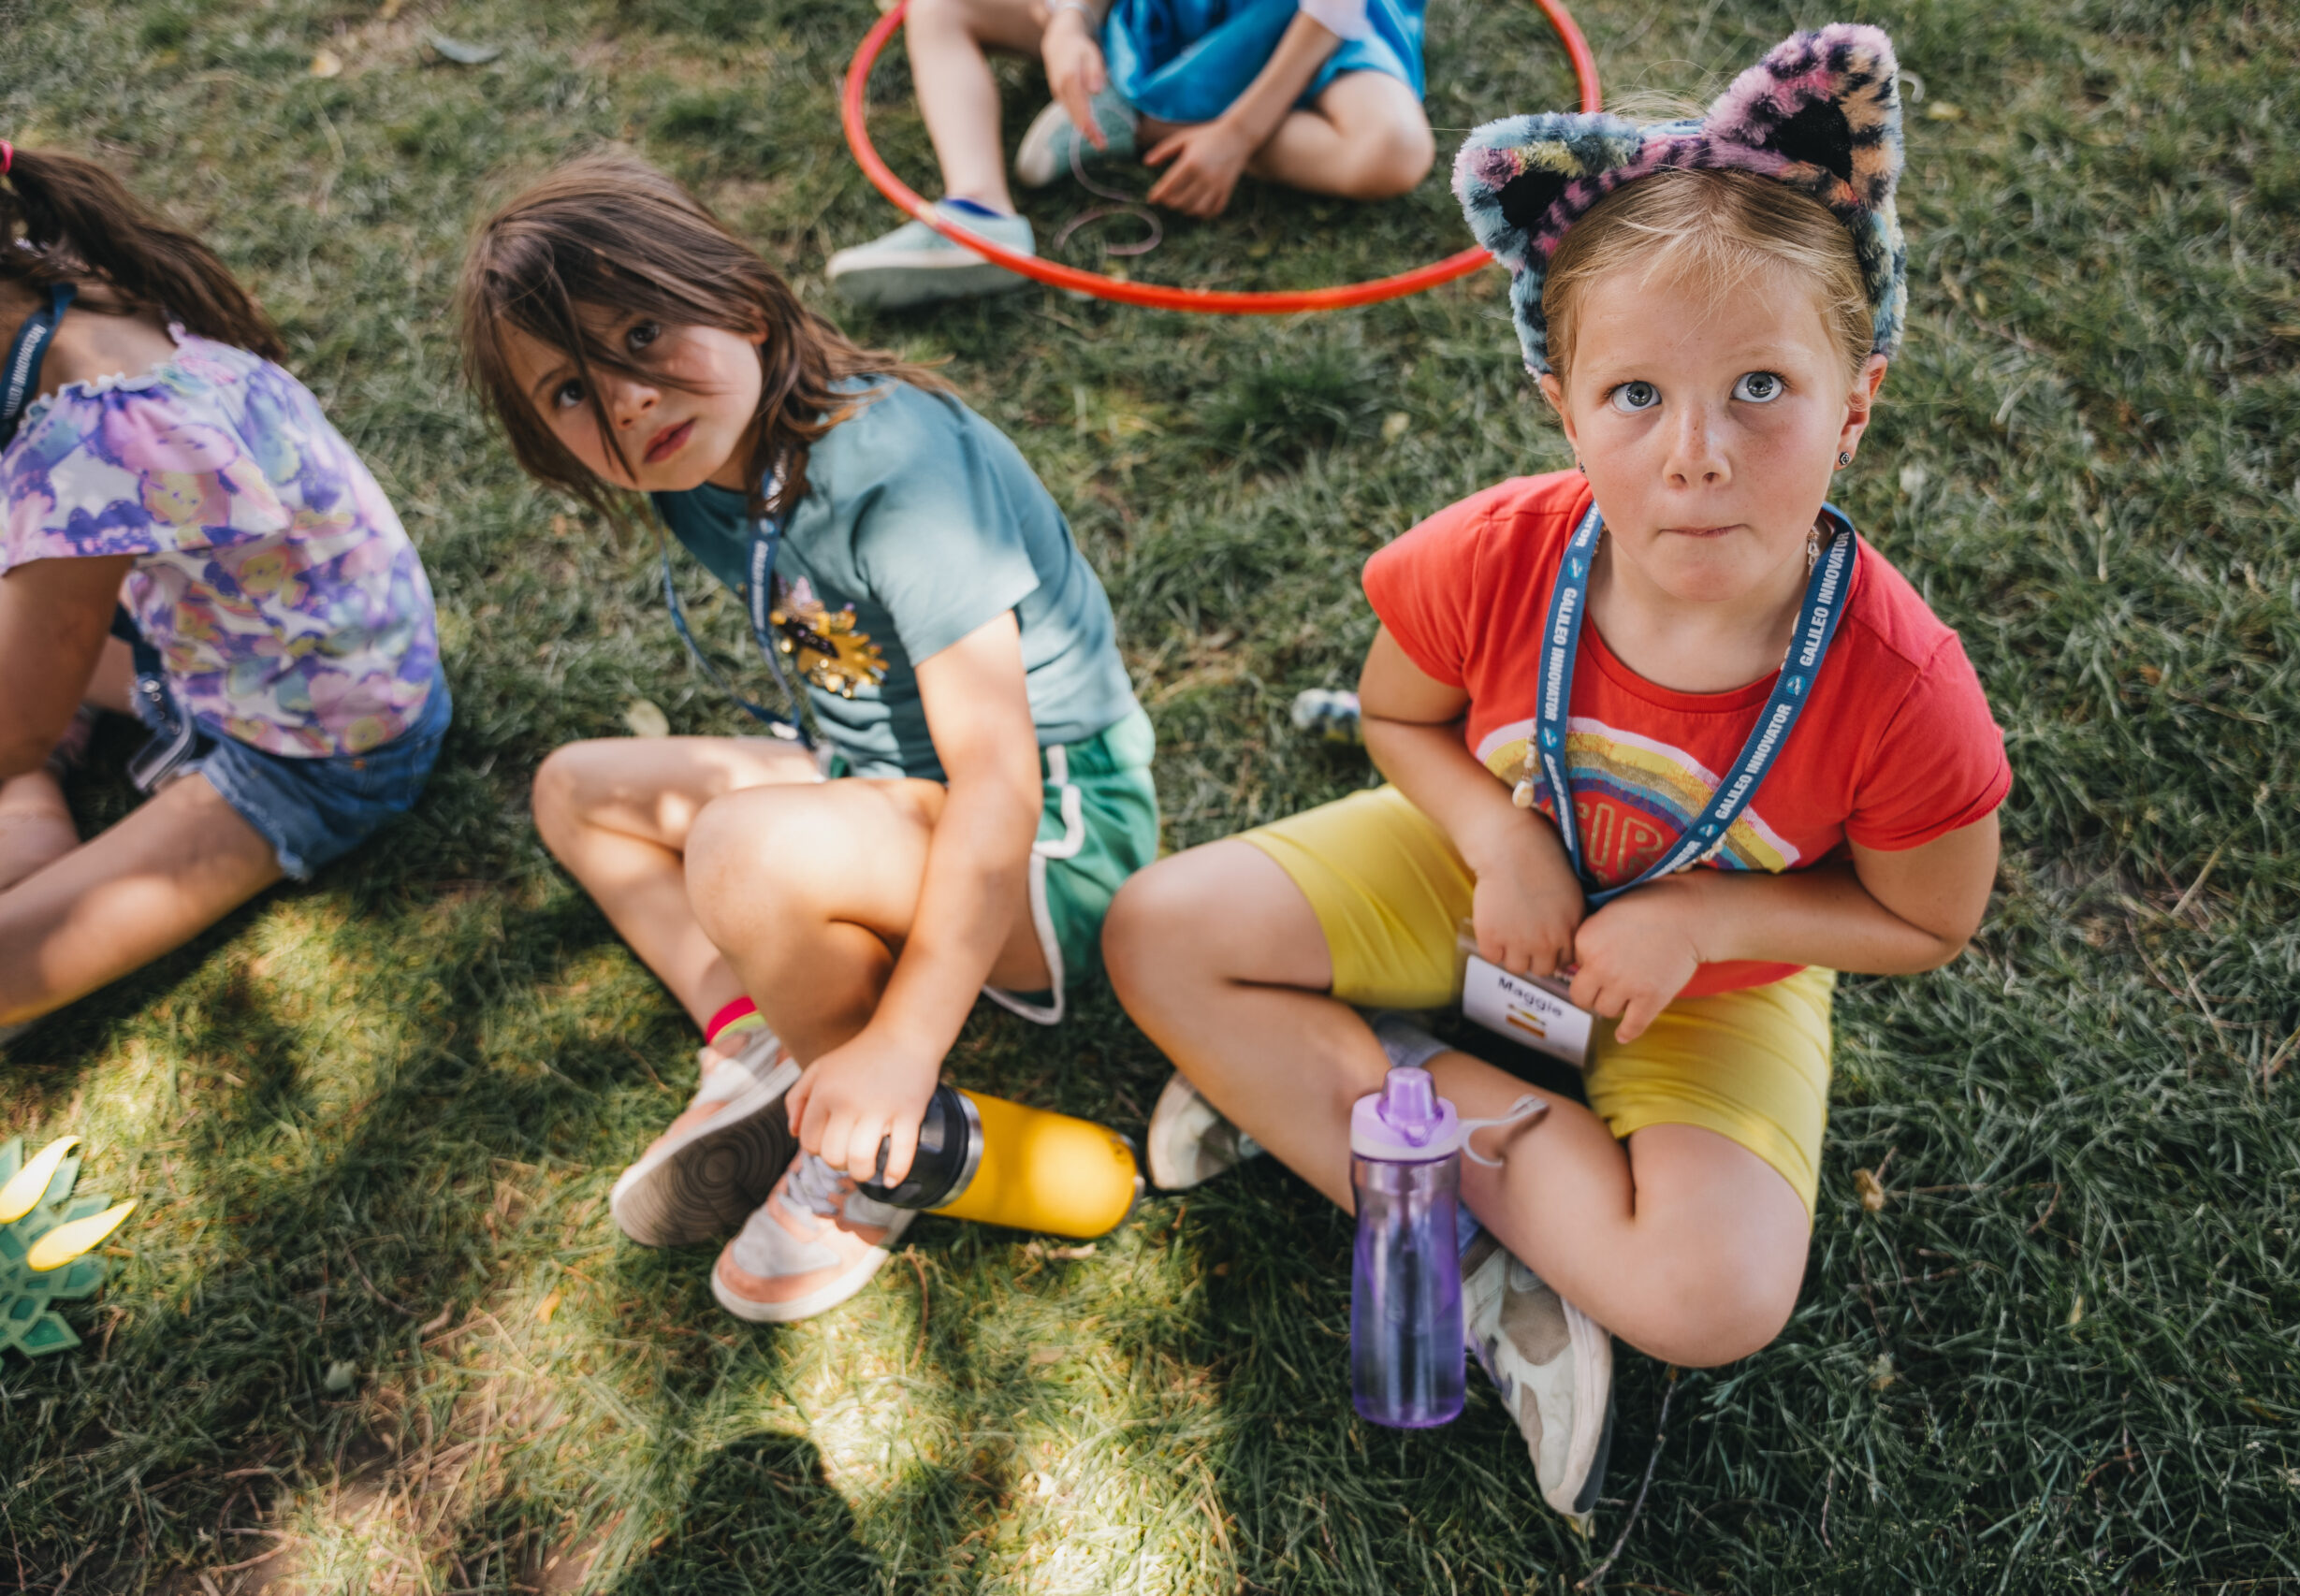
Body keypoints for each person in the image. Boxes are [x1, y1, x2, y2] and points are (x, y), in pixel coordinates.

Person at [1103, 27, 2009, 1520]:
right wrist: (1496, 835)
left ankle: (1368, 1104)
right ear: (1563, 405)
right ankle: (1476, 1245)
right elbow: (1402, 723)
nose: (1697, 454)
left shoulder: (1907, 692)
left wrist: (1708, 917)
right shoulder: (1500, 551)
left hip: (1711, 978)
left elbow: (1925, 921)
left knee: (1715, 1300)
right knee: (1156, 930)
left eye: (1766, 388)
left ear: (1859, 400)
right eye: (1637, 395)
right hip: (1479, 876)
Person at [457, 153, 1156, 1322]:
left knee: (742, 848)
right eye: (570, 392)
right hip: (880, 785)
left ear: (734, 293)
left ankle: (875, 1138)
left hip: (1059, 847)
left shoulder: (899, 473)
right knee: (577, 790)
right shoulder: (697, 465)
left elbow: (998, 778)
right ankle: (758, 1037)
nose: (624, 398)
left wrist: (907, 1045)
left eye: (640, 333)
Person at [0, 143, 447, 1046]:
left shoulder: (91, 440)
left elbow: (15, 725)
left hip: (321, 753)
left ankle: (30, 816)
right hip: (270, 646)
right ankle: (32, 817)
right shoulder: (83, 281)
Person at [828, 0, 1435, 307]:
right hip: (1161, 12)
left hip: (1304, 32)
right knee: (940, 5)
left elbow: (1333, 10)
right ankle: (978, 212)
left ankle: (1139, 117)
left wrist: (1239, 135)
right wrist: (1068, 23)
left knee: (1393, 150)